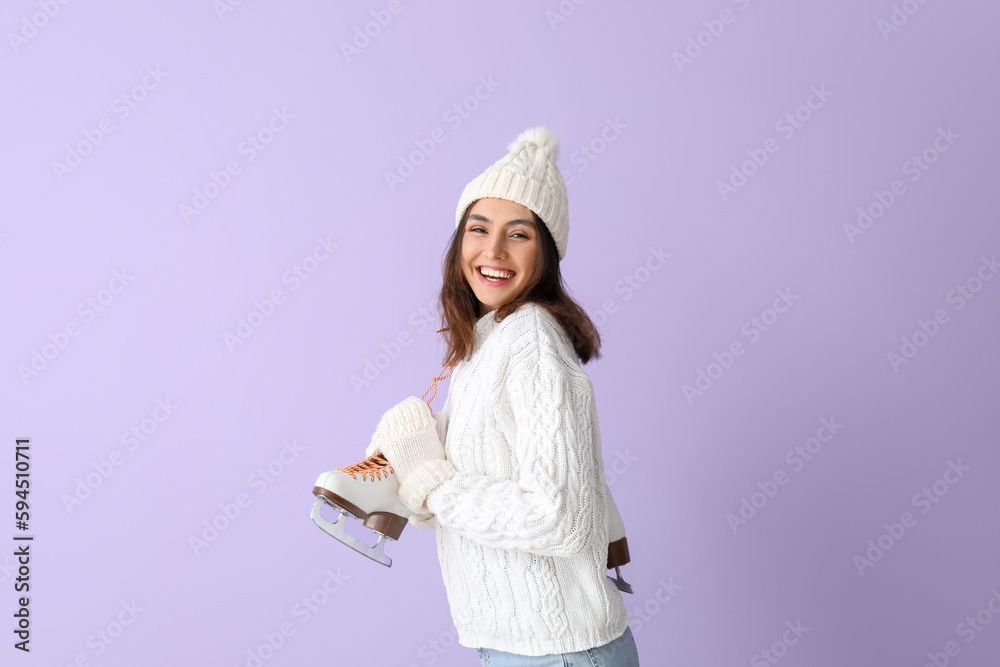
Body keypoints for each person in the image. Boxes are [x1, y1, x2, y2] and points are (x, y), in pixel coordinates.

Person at [368, 127, 640, 666]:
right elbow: (487, 484)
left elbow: (559, 517)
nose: (492, 251)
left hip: (557, 653)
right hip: (521, 647)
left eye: (518, 234)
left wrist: (434, 486)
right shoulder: (488, 340)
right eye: (478, 228)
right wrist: (418, 470)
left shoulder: (531, 340)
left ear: (547, 252)